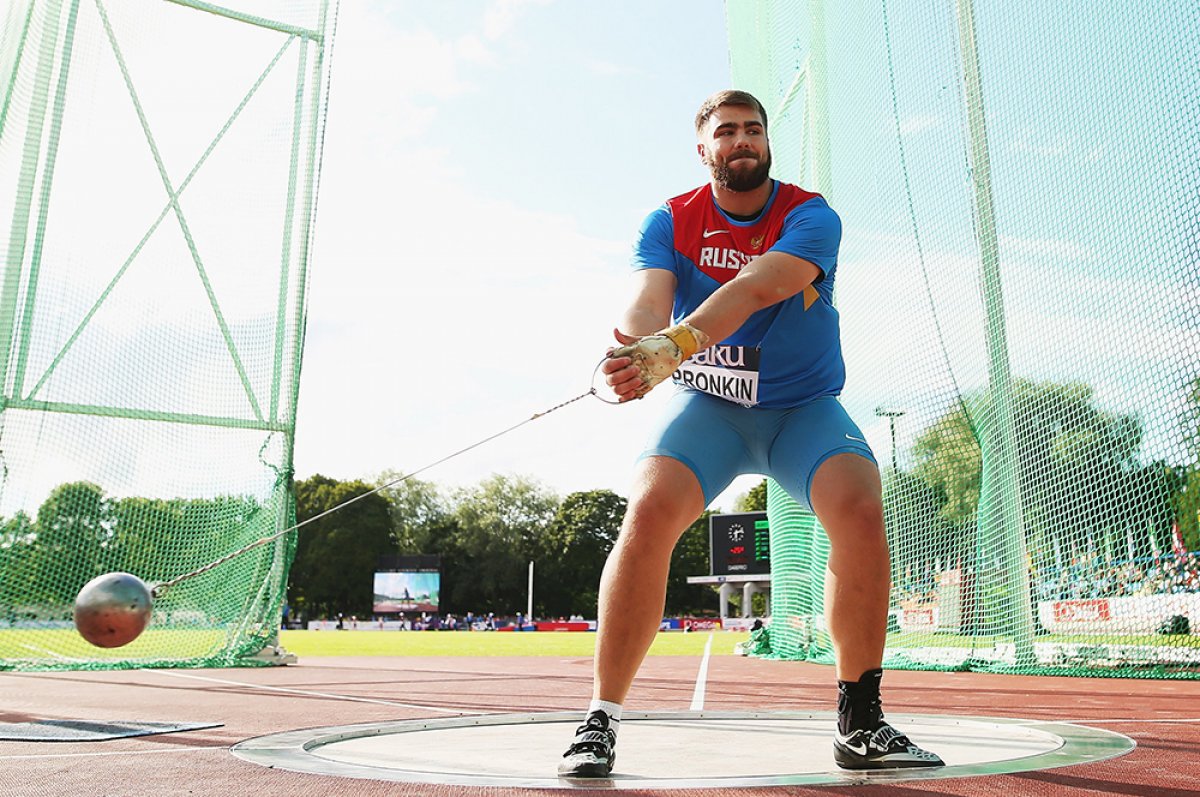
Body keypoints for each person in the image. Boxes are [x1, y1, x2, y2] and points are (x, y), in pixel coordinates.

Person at [557, 90, 943, 778]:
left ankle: (861, 719)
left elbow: (761, 285)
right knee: (646, 509)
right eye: (727, 131)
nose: (743, 140)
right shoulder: (670, 218)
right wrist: (636, 343)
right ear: (703, 148)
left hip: (802, 408)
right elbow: (649, 292)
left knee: (859, 503)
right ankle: (599, 718)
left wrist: (676, 341)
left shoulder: (809, 214)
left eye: (754, 130)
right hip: (710, 407)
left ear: (766, 143)